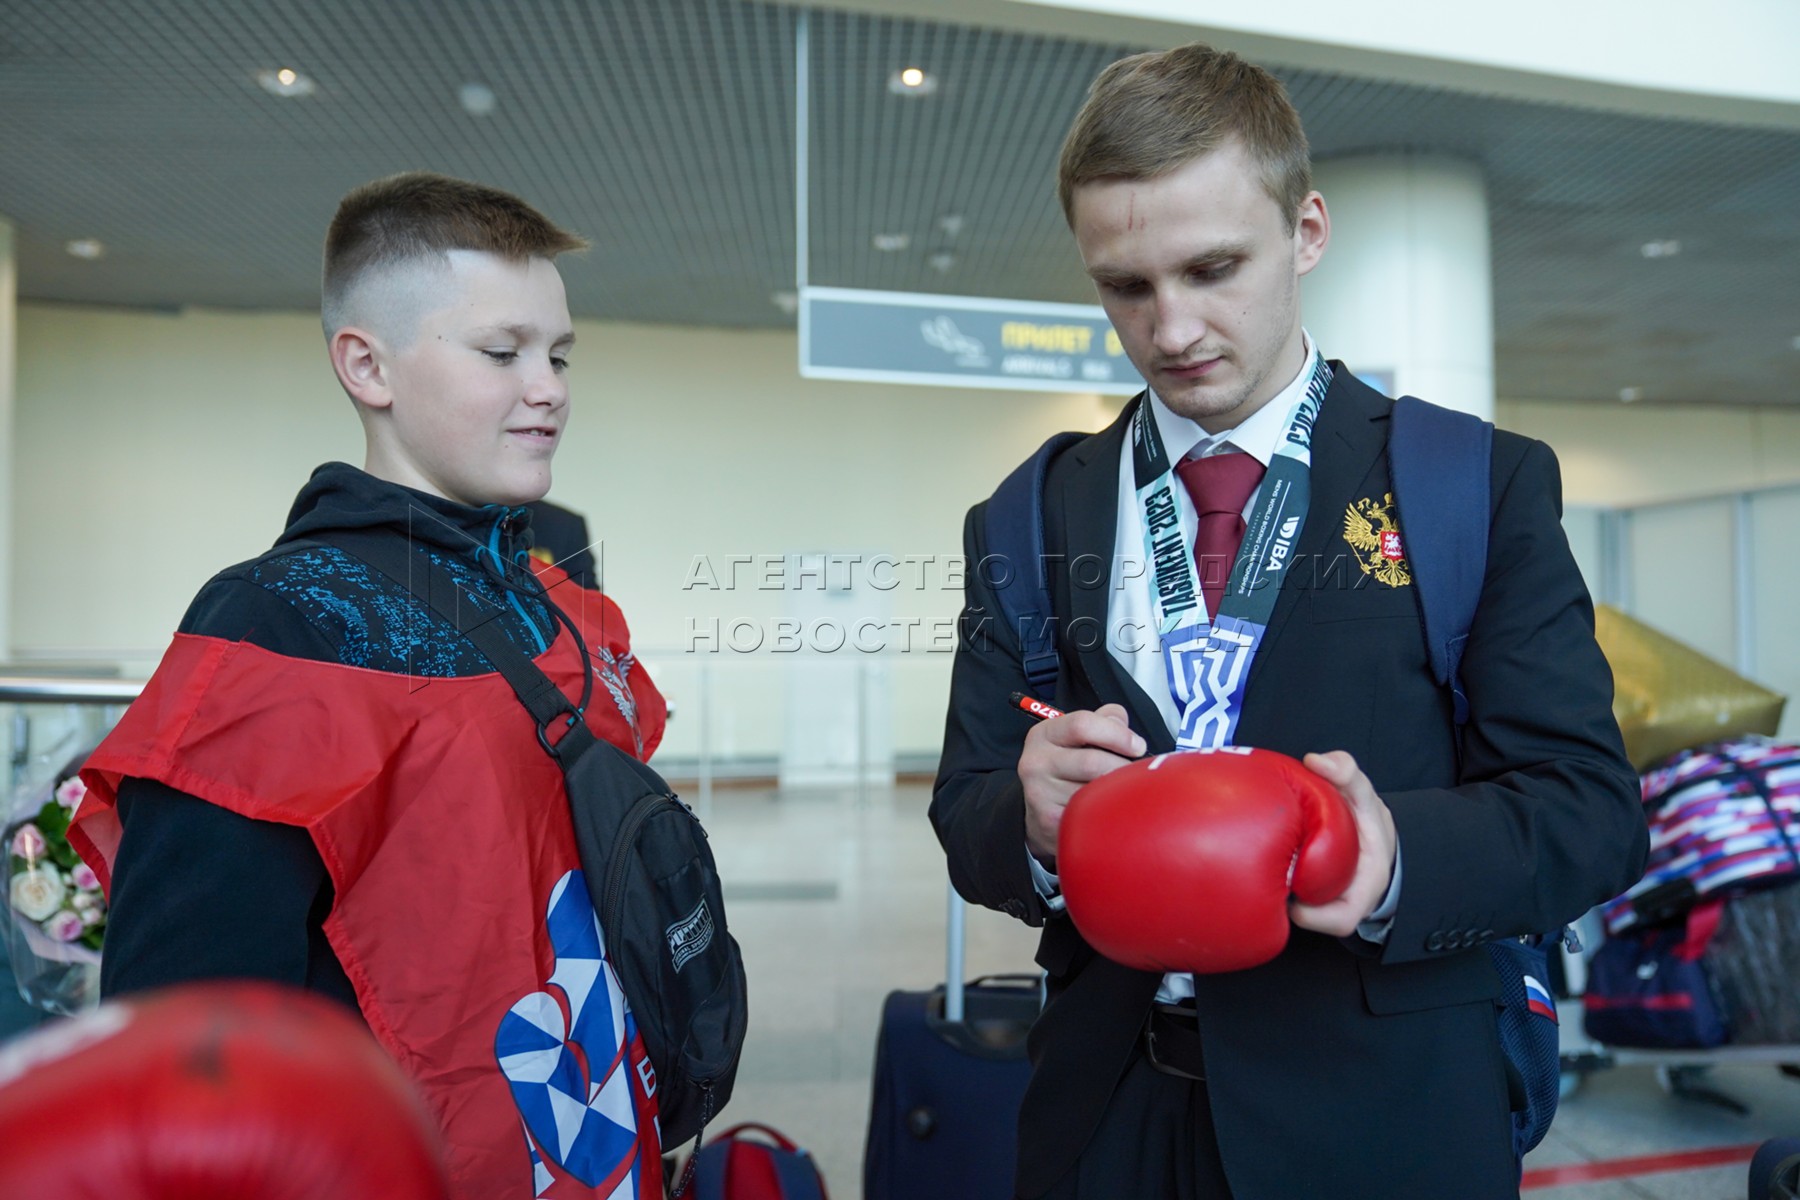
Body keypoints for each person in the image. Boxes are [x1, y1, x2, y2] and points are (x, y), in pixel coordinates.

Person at [930, 44, 1648, 1200]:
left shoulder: (1472, 486)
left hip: (1389, 1120)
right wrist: (1031, 817)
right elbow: (965, 809)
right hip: (1107, 1115)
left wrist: (1393, 854)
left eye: (1214, 268)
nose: (1172, 329)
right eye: (1127, 285)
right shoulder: (1029, 512)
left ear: (1307, 231)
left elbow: (1591, 813)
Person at [70, 172, 668, 1200]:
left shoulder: (557, 601)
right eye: (502, 352)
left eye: (559, 353)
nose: (550, 387)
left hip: (591, 1132)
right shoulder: (277, 626)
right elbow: (188, 1049)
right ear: (366, 364)